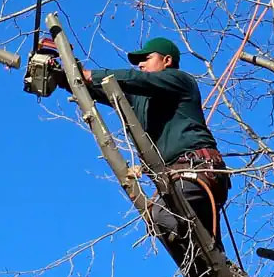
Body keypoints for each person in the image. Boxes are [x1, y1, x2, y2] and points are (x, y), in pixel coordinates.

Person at [56, 36, 230, 247]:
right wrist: (64, 77)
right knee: (202, 254)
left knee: (160, 217)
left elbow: (136, 79)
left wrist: (90, 74)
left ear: (167, 60)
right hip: (177, 179)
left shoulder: (179, 80)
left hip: (197, 170)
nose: (140, 64)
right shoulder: (140, 99)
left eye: (146, 58)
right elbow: (103, 90)